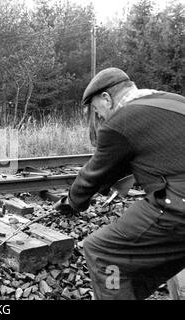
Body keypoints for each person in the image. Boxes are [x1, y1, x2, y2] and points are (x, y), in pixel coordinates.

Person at [54, 67, 185, 299]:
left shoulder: (120, 121)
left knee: (101, 251)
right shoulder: (170, 100)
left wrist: (72, 203)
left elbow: (92, 175)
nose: (100, 116)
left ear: (107, 98)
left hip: (179, 206)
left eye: (96, 109)